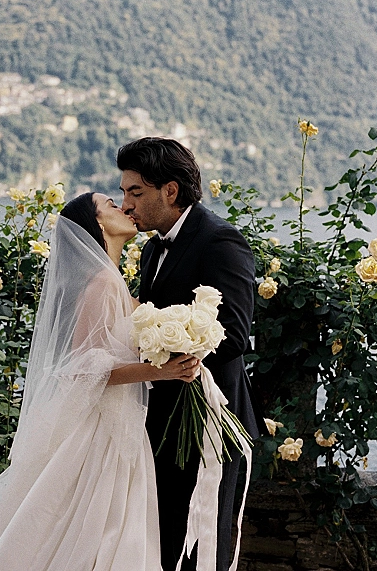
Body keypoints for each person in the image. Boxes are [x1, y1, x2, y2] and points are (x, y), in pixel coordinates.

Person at [0, 192, 200, 571]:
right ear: (98, 224)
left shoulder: (111, 279)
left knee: (106, 530)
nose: (125, 207)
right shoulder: (102, 282)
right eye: (112, 204)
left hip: (120, 423)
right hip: (102, 431)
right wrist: (160, 371)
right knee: (100, 530)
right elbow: (84, 369)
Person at [118, 138, 264, 571]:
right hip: (160, 420)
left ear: (171, 191)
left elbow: (234, 334)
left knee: (203, 547)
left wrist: (172, 352)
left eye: (135, 193)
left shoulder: (221, 241)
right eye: (123, 192)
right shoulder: (150, 249)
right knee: (161, 545)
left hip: (210, 421)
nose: (126, 205)